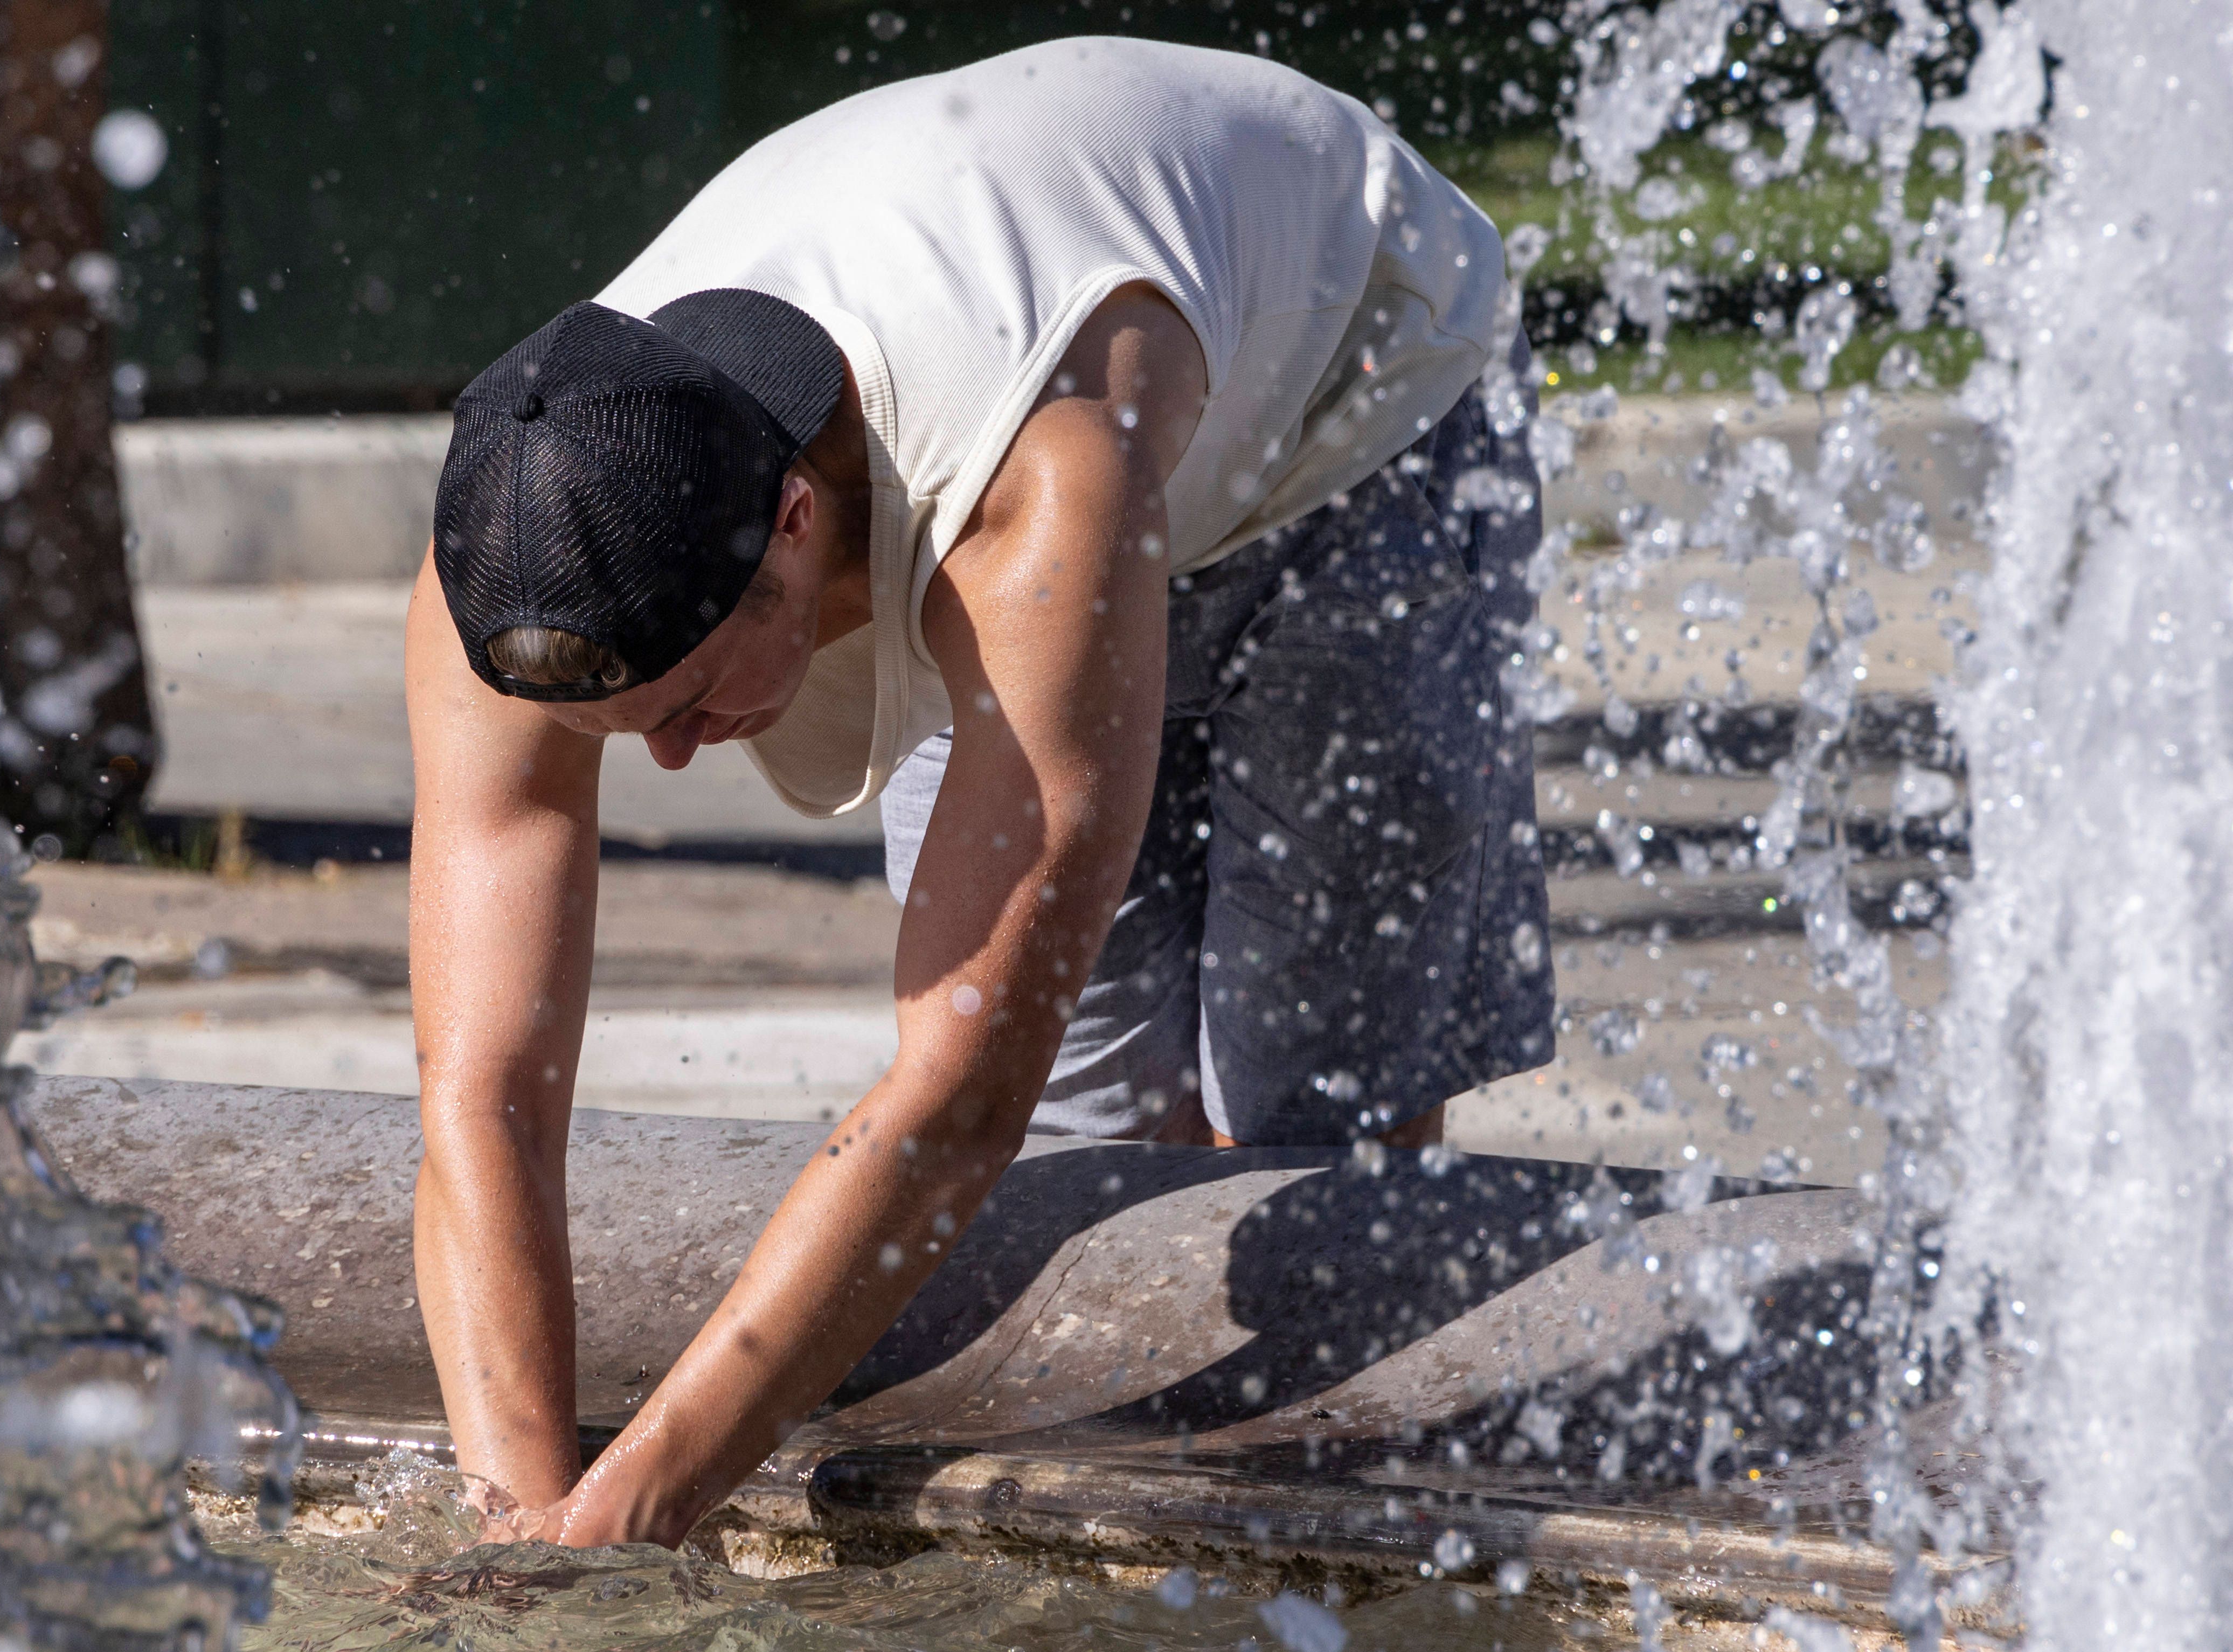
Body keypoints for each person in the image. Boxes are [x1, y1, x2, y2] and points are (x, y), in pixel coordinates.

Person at [403, 36, 1552, 1548]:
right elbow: (478, 1097)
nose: (677, 761)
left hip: (1362, 409)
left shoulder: (1017, 494)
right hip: (1045, 400)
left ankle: (1358, 1596)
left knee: (1313, 1123)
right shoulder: (521, 547)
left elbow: (952, 1102)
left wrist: (643, 1514)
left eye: (685, 708)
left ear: (797, 525)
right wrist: (520, 1512)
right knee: (1091, 1138)